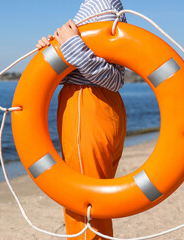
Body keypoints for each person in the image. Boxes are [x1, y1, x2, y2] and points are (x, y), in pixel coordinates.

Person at [36, 0, 127, 239]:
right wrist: (51, 51)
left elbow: (114, 77)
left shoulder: (102, 6)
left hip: (86, 104)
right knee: (96, 199)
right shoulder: (103, 5)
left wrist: (72, 46)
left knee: (83, 202)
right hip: (102, 106)